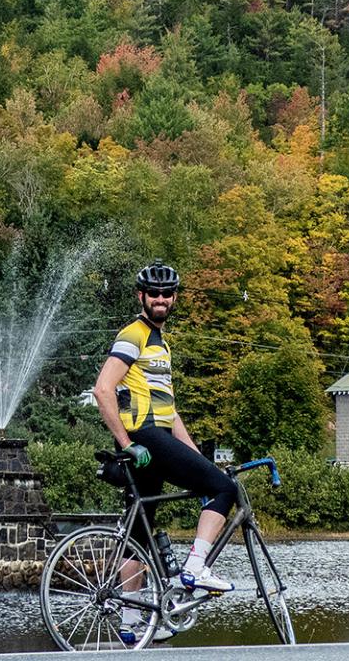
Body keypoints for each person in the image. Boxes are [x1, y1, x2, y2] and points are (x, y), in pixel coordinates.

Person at [92, 260, 239, 642]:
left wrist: (198, 458)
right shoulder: (134, 334)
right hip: (146, 438)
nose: (161, 299)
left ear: (174, 298)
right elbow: (102, 390)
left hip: (155, 436)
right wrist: (128, 443)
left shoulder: (161, 343)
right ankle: (195, 567)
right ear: (141, 296)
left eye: (167, 293)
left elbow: (169, 411)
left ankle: (130, 624)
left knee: (138, 533)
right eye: (154, 293)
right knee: (225, 490)